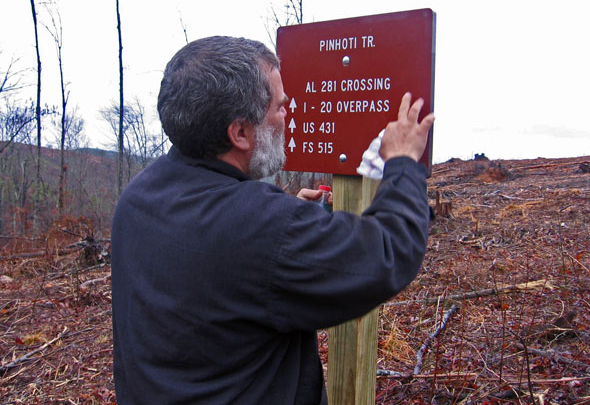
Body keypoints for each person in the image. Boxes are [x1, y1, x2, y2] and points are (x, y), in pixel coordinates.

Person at [111, 36, 435, 405]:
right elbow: (386, 252)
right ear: (240, 133)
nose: (289, 112)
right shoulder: (262, 228)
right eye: (279, 107)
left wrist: (285, 218)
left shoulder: (138, 198)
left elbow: (216, 260)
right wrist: (404, 163)